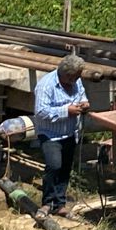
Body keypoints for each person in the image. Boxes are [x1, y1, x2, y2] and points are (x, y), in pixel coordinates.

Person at [33, 55, 90, 216]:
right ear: (67, 75)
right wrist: (66, 111)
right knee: (54, 166)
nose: (78, 79)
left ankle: (59, 204)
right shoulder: (46, 85)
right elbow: (41, 112)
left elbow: (82, 96)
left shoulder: (76, 81)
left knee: (65, 168)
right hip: (51, 134)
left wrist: (84, 104)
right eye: (75, 76)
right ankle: (47, 203)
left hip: (70, 133)